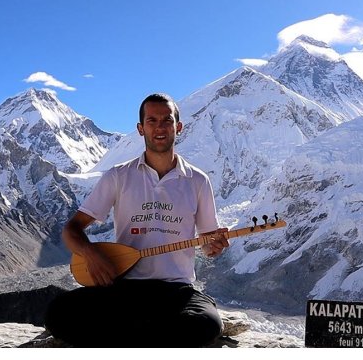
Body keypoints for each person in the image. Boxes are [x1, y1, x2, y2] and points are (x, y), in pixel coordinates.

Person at [45, 93, 230, 347]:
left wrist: (214, 246)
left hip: (176, 290)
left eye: (167, 120)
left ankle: (124, 339)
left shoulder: (197, 181)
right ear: (141, 129)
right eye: (152, 121)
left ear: (179, 126)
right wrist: (91, 254)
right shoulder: (118, 176)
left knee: (206, 324)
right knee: (59, 313)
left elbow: (208, 244)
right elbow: (72, 229)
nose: (160, 127)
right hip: (125, 289)